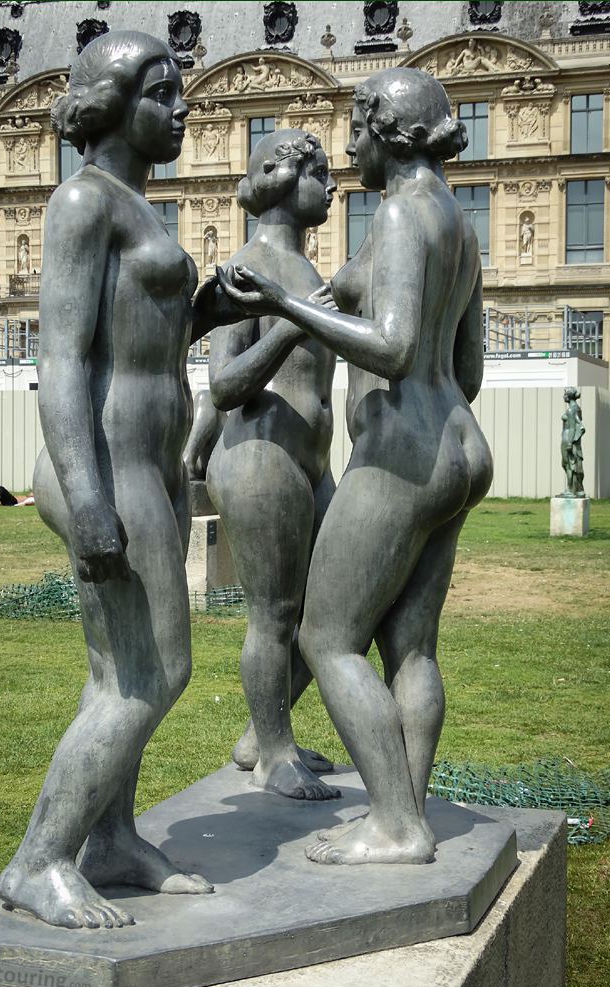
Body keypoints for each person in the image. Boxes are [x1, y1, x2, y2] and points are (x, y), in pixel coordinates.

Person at [218, 68, 492, 863]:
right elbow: (465, 364)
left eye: (357, 131)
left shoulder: (403, 214)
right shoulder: (455, 219)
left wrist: (285, 306)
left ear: (386, 131)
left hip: (402, 454)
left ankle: (395, 824)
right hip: (458, 443)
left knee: (326, 639)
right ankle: (406, 808)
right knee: (411, 649)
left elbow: (397, 345)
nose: (348, 149)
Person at [0, 30, 230, 931]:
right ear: (114, 103)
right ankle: (39, 859)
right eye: (164, 93)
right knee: (150, 672)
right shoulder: (82, 202)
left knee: (121, 667)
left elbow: (145, 344)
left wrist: (210, 310)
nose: (183, 108)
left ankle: (113, 838)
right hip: (103, 467)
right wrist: (88, 499)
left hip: (149, 465)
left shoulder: (135, 207)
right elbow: (60, 361)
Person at [206, 130, 339, 801]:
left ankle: (264, 731)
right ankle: (273, 750)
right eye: (322, 174)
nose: (334, 186)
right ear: (286, 179)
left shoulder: (311, 273)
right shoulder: (243, 269)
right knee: (275, 615)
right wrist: (289, 322)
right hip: (261, 456)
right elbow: (224, 385)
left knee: (339, 614)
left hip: (310, 461)